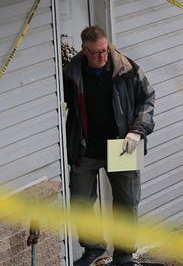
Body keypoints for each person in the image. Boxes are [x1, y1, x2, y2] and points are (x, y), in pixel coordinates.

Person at [64, 26, 155, 266]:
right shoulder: (72, 73)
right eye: (95, 52)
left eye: (105, 50)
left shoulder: (126, 69)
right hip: (86, 148)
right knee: (81, 202)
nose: (102, 56)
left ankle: (124, 257)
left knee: (126, 202)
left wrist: (137, 131)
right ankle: (94, 249)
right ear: (84, 50)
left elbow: (147, 99)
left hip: (122, 146)